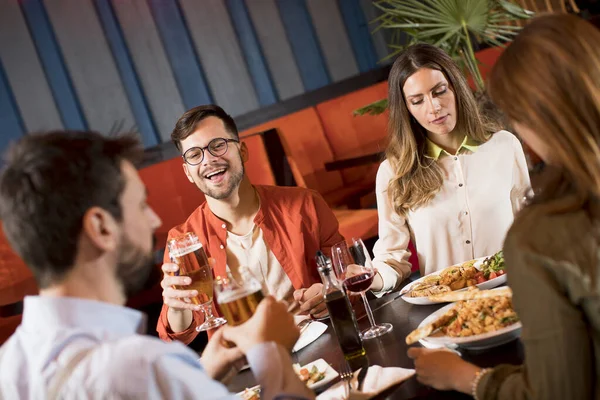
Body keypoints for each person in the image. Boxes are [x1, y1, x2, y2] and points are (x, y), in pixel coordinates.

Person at [0, 131, 313, 400]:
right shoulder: (140, 367)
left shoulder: (8, 366)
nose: (155, 220)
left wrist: (196, 375)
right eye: (140, 205)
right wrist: (269, 350)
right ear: (102, 227)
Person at [407, 14, 600, 399]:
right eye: (417, 100)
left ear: (531, 118)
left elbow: (558, 393)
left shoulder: (540, 236)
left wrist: (467, 378)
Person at [157, 105, 344, 344]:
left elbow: (347, 274)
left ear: (242, 151)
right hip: (248, 364)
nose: (209, 160)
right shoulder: (183, 240)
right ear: (188, 172)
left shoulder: (305, 204)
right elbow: (174, 339)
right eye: (194, 154)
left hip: (320, 340)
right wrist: (176, 307)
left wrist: (331, 290)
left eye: (218, 145)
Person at [369, 43, 530, 295]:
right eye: (417, 100)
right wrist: (371, 279)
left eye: (439, 91)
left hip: (517, 290)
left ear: (456, 88)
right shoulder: (393, 172)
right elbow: (392, 258)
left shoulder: (505, 145)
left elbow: (529, 225)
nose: (433, 107)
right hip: (447, 306)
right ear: (407, 109)